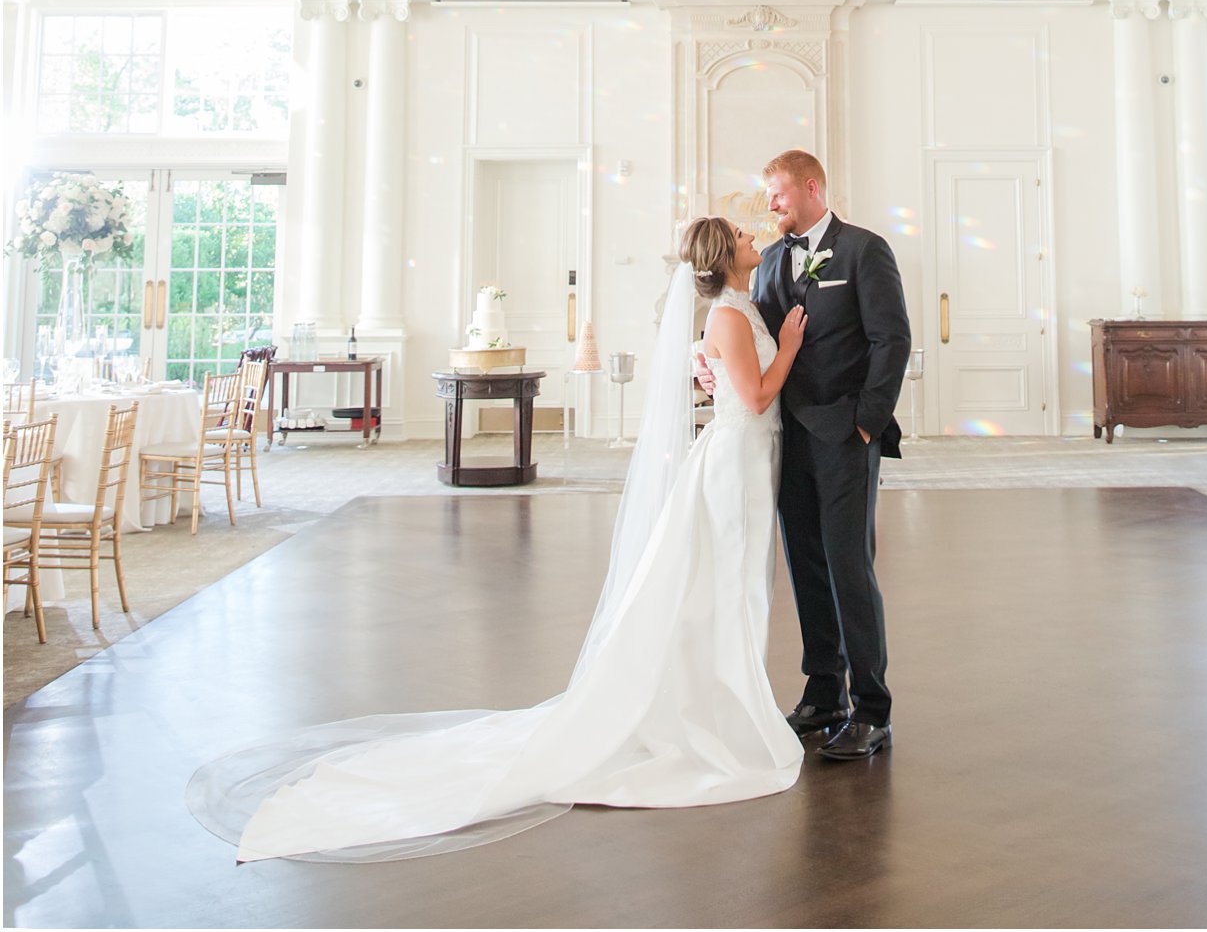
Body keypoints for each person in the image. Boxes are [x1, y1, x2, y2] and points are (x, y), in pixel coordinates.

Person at [188, 221, 808, 864]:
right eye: (739, 232)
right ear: (724, 255)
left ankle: (725, 704)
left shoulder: (738, 307)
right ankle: (717, 718)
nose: (751, 233)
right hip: (737, 462)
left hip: (750, 460)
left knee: (730, 589)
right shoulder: (731, 317)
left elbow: (736, 386)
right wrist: (788, 346)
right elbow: (758, 397)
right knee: (727, 589)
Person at [698, 149, 912, 761]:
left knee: (850, 566)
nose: (770, 206)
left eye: (778, 194)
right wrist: (705, 360)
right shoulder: (768, 264)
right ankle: (824, 695)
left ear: (811, 187)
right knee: (807, 568)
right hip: (783, 436)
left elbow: (891, 340)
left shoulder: (863, 250)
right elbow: (748, 335)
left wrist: (866, 424)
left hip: (845, 437)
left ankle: (873, 709)